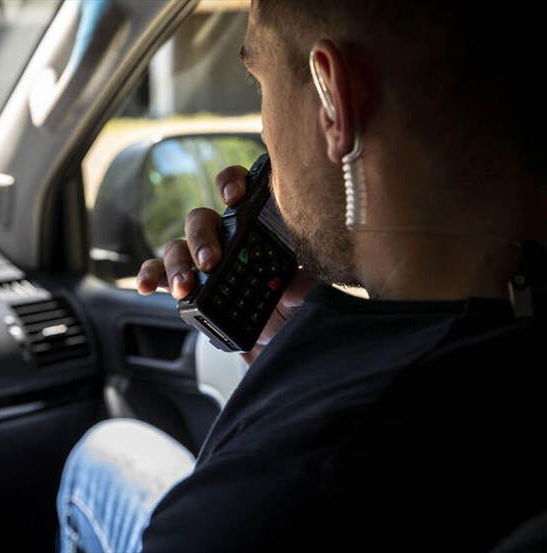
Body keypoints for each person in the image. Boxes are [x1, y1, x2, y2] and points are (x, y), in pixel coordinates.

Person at [58, 1, 547, 551]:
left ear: (335, 99)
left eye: (257, 81)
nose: (263, 131)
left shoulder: (274, 493)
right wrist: (302, 364)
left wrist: (285, 401)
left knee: (99, 463)